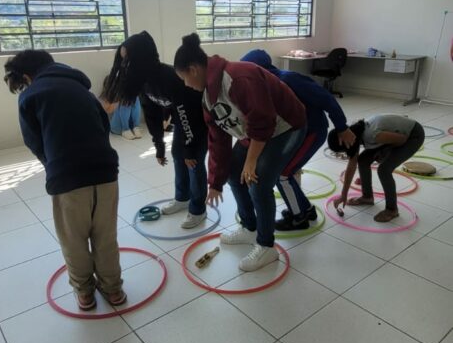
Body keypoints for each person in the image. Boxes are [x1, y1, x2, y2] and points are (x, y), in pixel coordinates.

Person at [4, 50, 125, 311]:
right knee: (105, 236)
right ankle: (113, 290)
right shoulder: (83, 90)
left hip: (67, 178)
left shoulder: (30, 96)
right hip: (106, 172)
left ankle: (85, 293)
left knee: (74, 240)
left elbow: (33, 141)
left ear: (27, 76)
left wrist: (54, 165)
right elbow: (103, 126)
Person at [173, 33, 307, 271]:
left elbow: (264, 122)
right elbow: (218, 141)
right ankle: (249, 227)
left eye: (183, 78)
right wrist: (215, 182)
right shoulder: (207, 98)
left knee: (258, 181)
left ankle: (266, 247)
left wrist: (252, 161)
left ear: (193, 69)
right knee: (235, 174)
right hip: (255, 133)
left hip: (287, 126)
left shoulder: (238, 76)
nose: (185, 85)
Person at [241, 49, 356, 230]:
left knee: (283, 174)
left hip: (312, 131)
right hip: (293, 134)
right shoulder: (262, 88)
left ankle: (299, 218)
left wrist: (341, 127)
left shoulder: (288, 79)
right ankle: (306, 209)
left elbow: (327, 99)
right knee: (284, 172)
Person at [104, 31, 208, 230]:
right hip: (183, 121)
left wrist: (190, 148)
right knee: (177, 154)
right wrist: (159, 146)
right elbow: (152, 116)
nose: (125, 66)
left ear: (141, 58)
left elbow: (188, 115)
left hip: (199, 121)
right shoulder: (144, 83)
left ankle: (198, 209)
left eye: (128, 60)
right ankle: (182, 198)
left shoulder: (168, 78)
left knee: (193, 161)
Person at [328, 114, 425, 222]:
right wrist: (343, 195)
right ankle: (367, 197)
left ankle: (392, 209)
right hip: (394, 136)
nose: (346, 153)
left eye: (343, 150)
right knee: (363, 160)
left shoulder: (371, 135)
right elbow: (351, 166)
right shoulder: (353, 134)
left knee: (384, 170)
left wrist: (384, 152)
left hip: (412, 135)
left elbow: (401, 140)